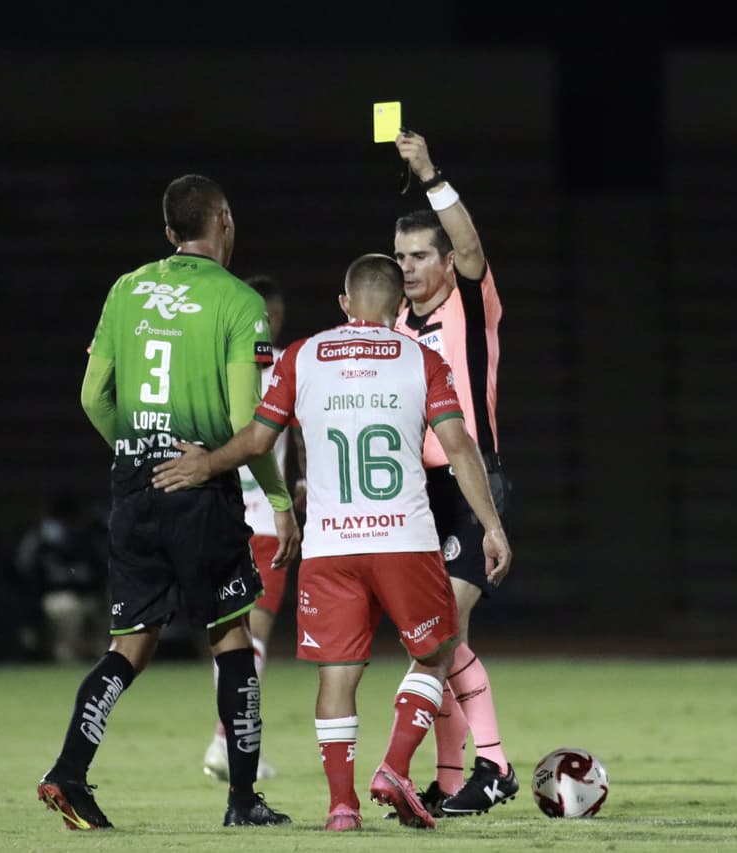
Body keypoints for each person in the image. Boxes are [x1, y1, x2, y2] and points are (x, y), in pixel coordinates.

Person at [152, 253, 512, 832]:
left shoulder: (302, 356)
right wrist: (491, 526)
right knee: (437, 651)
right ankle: (395, 766)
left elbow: (255, 440)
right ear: (399, 309)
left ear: (344, 304)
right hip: (404, 538)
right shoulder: (421, 358)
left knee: (337, 676)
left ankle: (342, 807)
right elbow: (461, 447)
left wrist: (203, 465)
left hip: (329, 545)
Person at [37, 174, 300, 831]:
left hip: (135, 488)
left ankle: (69, 770)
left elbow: (92, 396)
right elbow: (248, 423)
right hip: (200, 491)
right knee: (231, 632)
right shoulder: (240, 303)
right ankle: (242, 799)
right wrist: (278, 499)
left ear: (168, 233)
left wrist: (137, 450)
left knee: (130, 643)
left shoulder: (126, 289)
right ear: (225, 221)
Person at [388, 129, 518, 817]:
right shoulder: (399, 327)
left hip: (474, 484)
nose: (408, 267)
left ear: (445, 261)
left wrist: (431, 173)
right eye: (401, 257)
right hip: (423, 495)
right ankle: (447, 777)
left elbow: (470, 246)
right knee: (441, 640)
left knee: (439, 634)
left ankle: (492, 765)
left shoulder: (468, 302)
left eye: (419, 256)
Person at [202, 273, 307, 782]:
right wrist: (300, 484)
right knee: (253, 635)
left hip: (217, 515)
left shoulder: (213, 366)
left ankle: (227, 738)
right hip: (263, 519)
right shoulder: (283, 367)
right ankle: (230, 741)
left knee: (228, 631)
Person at [13, 489, 110, 663]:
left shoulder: (87, 537)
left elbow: (102, 570)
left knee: (111, 610)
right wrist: (29, 614)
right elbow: (26, 579)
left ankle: (106, 664)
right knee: (67, 609)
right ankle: (67, 663)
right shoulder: (38, 541)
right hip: (56, 597)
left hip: (89, 597)